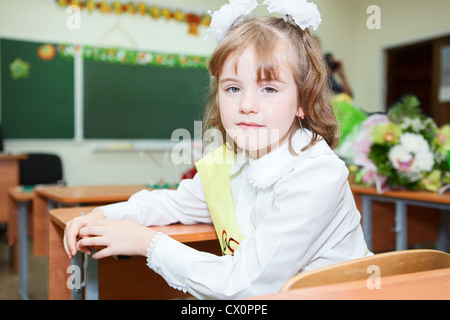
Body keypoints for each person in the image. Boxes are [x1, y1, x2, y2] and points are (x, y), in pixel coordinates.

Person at [64, 0, 370, 300]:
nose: (247, 106)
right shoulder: (231, 159)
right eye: (233, 88)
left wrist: (147, 243)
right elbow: (176, 204)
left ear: (303, 101)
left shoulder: (316, 174)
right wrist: (104, 215)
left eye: (269, 89)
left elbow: (246, 286)